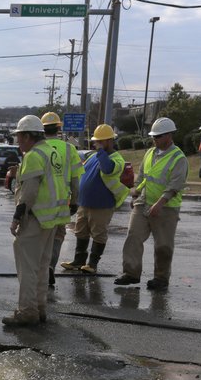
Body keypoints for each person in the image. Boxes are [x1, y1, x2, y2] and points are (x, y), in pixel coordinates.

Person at [3, 115, 70, 326]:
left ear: (27, 136)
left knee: (27, 267)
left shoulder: (33, 156)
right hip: (51, 219)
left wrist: (17, 218)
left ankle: (27, 311)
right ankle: (39, 308)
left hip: (35, 217)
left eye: (19, 137)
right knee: (42, 266)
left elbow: (29, 192)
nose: (17, 141)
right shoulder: (52, 152)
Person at [115, 117, 187, 291]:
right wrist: (135, 196)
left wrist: (160, 204)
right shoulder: (150, 153)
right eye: (154, 136)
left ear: (169, 136)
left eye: (158, 136)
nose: (154, 140)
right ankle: (131, 273)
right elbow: (142, 178)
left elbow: (174, 186)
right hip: (143, 202)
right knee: (133, 237)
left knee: (163, 245)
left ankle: (161, 278)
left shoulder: (179, 158)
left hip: (166, 208)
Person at [60, 124, 128, 274]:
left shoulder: (116, 159)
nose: (96, 144)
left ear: (110, 141)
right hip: (85, 203)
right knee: (81, 232)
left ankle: (92, 263)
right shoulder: (93, 156)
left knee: (98, 233)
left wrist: (101, 152)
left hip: (102, 205)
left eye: (100, 141)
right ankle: (78, 261)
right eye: (96, 141)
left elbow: (107, 168)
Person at [40, 112, 83, 286]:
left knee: (41, 235)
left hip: (41, 201)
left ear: (42, 129)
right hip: (62, 200)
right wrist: (75, 201)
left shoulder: (38, 147)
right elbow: (75, 179)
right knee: (57, 236)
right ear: (59, 128)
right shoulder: (69, 149)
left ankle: (41, 268)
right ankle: (50, 265)